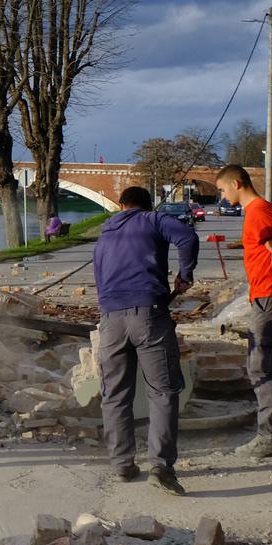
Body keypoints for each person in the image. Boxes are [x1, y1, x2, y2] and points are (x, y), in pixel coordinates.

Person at [91, 185, 199, 495]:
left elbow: (99, 280)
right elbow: (187, 237)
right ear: (147, 205)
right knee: (162, 391)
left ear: (121, 205)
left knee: (115, 393)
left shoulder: (104, 235)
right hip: (149, 314)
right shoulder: (152, 220)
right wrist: (185, 274)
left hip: (110, 320)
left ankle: (122, 464)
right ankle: (161, 466)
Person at [216, 163, 272, 459]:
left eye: (222, 190)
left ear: (236, 184)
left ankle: (271, 436)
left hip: (270, 297)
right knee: (271, 363)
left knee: (261, 365)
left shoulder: (259, 212)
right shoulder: (259, 211)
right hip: (267, 295)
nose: (222, 196)